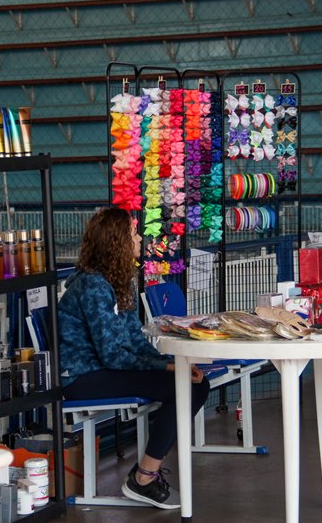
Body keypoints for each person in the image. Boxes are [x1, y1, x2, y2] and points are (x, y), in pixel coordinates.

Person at [58, 207, 210, 509]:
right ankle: (144, 478)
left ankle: (145, 474)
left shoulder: (114, 282)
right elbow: (114, 355)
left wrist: (172, 365)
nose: (140, 239)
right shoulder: (93, 286)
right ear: (117, 242)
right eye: (134, 233)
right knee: (184, 386)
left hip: (104, 371)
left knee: (192, 383)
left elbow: (136, 341)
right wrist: (167, 367)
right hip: (83, 379)